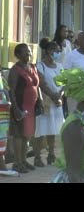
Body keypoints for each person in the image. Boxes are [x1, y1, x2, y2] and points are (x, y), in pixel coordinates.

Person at [7, 44, 41, 173]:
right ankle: (17, 163)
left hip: (31, 107)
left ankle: (24, 160)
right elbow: (12, 90)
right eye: (26, 52)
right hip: (20, 106)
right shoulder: (15, 70)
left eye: (30, 52)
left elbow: (37, 86)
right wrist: (16, 109)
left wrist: (40, 101)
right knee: (18, 135)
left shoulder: (33, 67)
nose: (29, 54)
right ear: (18, 55)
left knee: (27, 135)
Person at [33, 38, 64, 167]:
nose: (57, 53)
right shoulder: (40, 65)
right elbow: (41, 83)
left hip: (57, 102)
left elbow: (64, 82)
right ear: (48, 51)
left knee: (53, 129)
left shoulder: (60, 66)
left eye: (58, 51)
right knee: (41, 129)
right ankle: (37, 157)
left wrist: (59, 96)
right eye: (56, 51)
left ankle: (51, 154)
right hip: (45, 102)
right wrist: (53, 96)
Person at [0, 76, 11, 173]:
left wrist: (8, 101)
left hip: (3, 114)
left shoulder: (1, 78)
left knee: (2, 138)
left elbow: (7, 91)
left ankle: (2, 164)